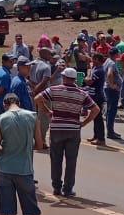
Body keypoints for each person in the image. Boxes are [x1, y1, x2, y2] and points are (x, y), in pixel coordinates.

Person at [0, 93, 58, 215]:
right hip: (25, 170)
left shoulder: (0, 119)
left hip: (6, 169)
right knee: (32, 210)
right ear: (19, 103)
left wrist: (2, 148)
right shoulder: (32, 117)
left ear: (6, 105)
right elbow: (39, 145)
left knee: (10, 212)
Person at [36, 67, 99, 198]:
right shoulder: (81, 93)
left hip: (57, 128)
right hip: (73, 130)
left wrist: (48, 111)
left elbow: (38, 99)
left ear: (64, 77)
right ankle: (68, 189)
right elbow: (96, 109)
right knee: (71, 161)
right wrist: (84, 122)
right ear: (74, 79)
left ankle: (57, 187)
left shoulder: (54, 90)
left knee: (56, 159)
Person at [86, 53, 108, 145]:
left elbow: (90, 82)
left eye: (93, 59)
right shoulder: (95, 68)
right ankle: (96, 136)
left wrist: (86, 79)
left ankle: (101, 139)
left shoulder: (99, 70)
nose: (92, 61)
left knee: (98, 118)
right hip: (93, 95)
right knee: (95, 117)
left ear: (97, 60)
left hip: (98, 96)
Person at [103, 50, 123, 140]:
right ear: (115, 54)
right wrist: (112, 85)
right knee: (112, 111)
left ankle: (110, 130)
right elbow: (110, 73)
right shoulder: (112, 63)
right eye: (118, 53)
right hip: (111, 90)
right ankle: (110, 132)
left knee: (109, 111)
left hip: (108, 89)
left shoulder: (107, 61)